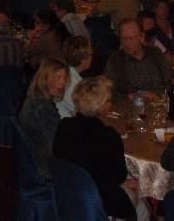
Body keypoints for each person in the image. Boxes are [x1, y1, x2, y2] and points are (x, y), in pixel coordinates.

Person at [54, 76, 143, 221]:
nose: (111, 104)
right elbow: (118, 176)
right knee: (141, 203)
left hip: (66, 194)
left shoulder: (64, 126)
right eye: (108, 100)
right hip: (96, 200)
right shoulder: (108, 136)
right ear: (100, 106)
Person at [18, 57, 69, 172]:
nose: (62, 83)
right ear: (45, 79)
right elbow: (53, 146)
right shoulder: (43, 107)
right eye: (57, 78)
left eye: (65, 78)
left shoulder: (34, 99)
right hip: (43, 167)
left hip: (30, 162)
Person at [104, 19, 172, 98]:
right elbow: (108, 91)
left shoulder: (155, 53)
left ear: (142, 37)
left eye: (131, 38)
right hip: (133, 103)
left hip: (160, 100)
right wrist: (132, 95)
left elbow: (168, 80)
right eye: (124, 38)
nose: (127, 43)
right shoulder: (115, 60)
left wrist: (159, 96)